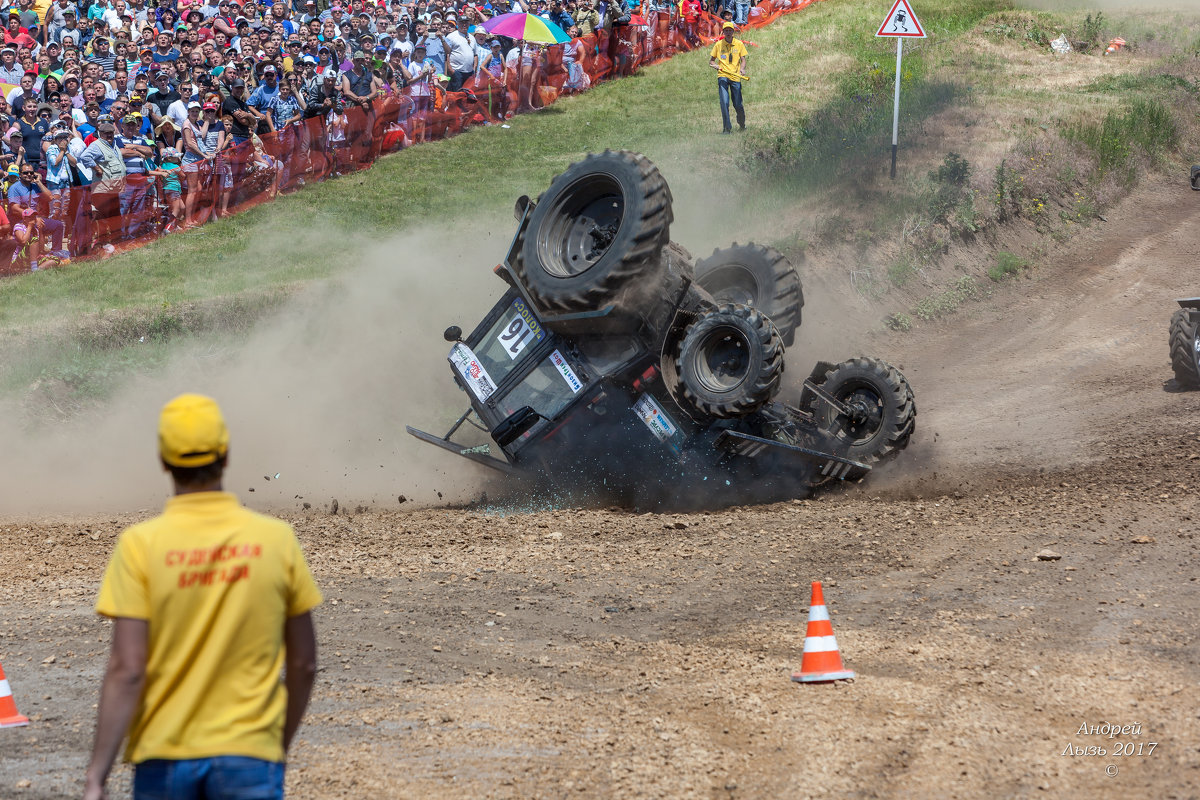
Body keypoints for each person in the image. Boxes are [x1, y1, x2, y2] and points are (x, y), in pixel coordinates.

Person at [83, 393, 322, 800]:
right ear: (225, 455)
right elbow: (304, 663)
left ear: (163, 461)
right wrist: (274, 747)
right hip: (250, 755)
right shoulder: (275, 540)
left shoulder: (139, 545)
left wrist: (96, 777)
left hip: (164, 758)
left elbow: (127, 669)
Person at [708, 21, 746, 134]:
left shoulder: (739, 44)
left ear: (733, 32)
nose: (728, 32)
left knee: (738, 104)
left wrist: (742, 69)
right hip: (723, 76)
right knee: (724, 102)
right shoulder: (718, 45)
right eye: (726, 30)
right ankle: (727, 128)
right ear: (723, 32)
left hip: (735, 77)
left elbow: (743, 60)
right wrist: (717, 67)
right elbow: (711, 62)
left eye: (730, 30)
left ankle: (742, 124)